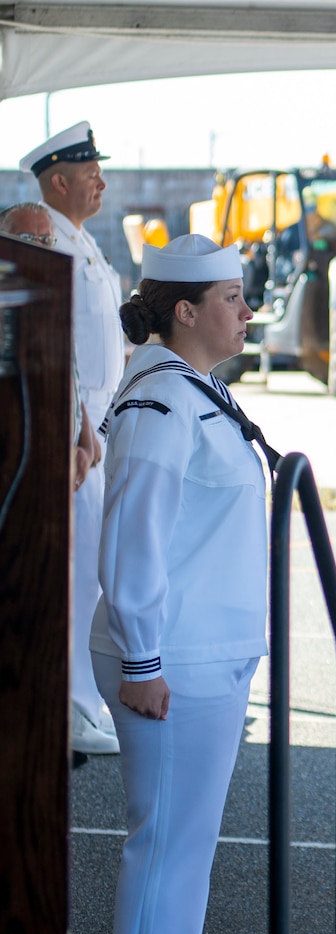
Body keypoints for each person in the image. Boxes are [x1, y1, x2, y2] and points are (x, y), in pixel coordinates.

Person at [92, 234, 266, 934]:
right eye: (232, 299)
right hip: (173, 660)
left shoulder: (193, 387)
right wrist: (142, 661)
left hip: (206, 653)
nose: (248, 311)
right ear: (187, 310)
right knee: (166, 847)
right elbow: (134, 537)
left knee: (185, 851)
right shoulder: (161, 400)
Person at [20, 121, 125, 757]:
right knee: (77, 573)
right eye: (90, 173)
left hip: (95, 418)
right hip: (71, 420)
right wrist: (79, 432)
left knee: (93, 570)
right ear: (59, 180)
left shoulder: (82, 241)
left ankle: (83, 701)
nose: (101, 181)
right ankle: (71, 708)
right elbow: (58, 344)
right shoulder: (44, 238)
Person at [0, 202, 103, 498]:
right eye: (26, 239)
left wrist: (84, 442)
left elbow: (68, 377)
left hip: (62, 466)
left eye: (46, 239)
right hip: (21, 472)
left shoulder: (53, 297)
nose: (39, 247)